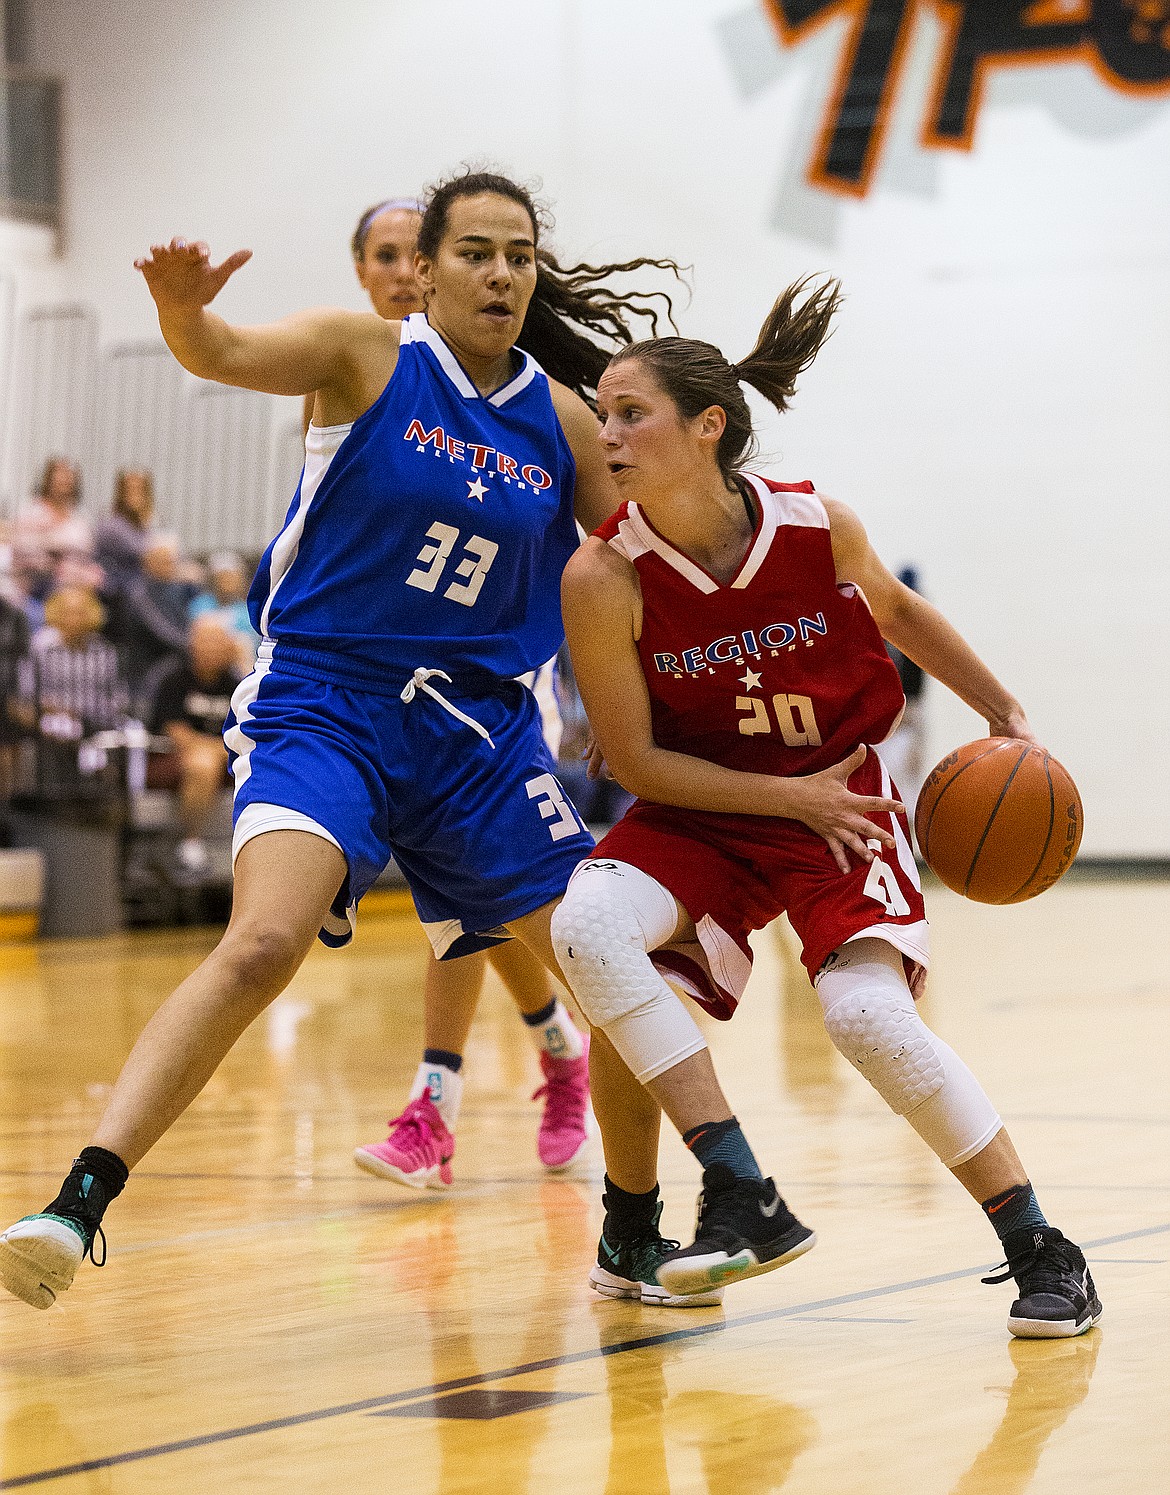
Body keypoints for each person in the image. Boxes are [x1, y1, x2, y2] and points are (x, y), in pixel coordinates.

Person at [0, 168, 681, 1310]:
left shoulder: (560, 417)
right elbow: (218, 352)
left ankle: (632, 1227)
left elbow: (624, 563)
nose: (501, 273)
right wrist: (180, 310)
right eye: (476, 252)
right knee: (263, 942)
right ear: (426, 269)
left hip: (476, 728)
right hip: (329, 699)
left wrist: (618, 702)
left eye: (519, 254)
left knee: (609, 965)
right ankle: (78, 1201)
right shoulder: (364, 353)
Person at [549, 280, 1102, 1338]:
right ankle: (728, 1192)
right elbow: (632, 759)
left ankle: (1043, 1247)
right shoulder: (602, 573)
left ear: (708, 426)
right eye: (603, 414)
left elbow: (899, 612)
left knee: (864, 1015)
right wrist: (776, 796)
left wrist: (1007, 713)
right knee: (588, 927)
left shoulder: (816, 524)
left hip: (839, 805)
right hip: (702, 808)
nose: (607, 434)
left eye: (632, 413)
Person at [333, 196, 593, 1186]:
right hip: (372, 682)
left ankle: (436, 1104)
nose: (404, 270)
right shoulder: (359, 368)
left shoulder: (520, 401)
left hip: (489, 683)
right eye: (386, 255)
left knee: (475, 897)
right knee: (474, 903)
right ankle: (555, 1048)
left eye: (416, 252)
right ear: (367, 272)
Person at [148, 615, 243, 878]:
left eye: (218, 642)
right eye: (206, 642)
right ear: (192, 645)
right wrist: (220, 749)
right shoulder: (174, 680)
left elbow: (248, 733)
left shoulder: (237, 685)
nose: (212, 649)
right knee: (202, 763)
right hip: (174, 758)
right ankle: (190, 844)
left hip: (226, 758)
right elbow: (178, 735)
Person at [12, 459, 96, 603]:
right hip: (35, 584)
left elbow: (87, 550)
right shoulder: (31, 511)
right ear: (48, 480)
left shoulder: (80, 517)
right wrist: (59, 548)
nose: (64, 482)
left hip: (74, 583)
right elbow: (23, 546)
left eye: (68, 478)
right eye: (59, 477)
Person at [93, 469, 157, 598]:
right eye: (130, 489)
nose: (135, 494)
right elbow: (143, 553)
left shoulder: (151, 522)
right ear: (120, 493)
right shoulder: (111, 524)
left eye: (140, 489)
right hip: (118, 584)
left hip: (146, 580)